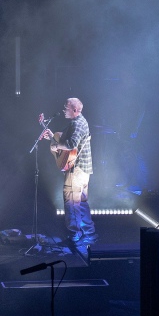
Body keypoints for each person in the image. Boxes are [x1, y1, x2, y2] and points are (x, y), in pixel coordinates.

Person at [41, 97, 97, 245]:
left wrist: (56, 146)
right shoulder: (76, 122)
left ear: (75, 110)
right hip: (83, 170)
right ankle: (89, 234)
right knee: (81, 202)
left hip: (76, 170)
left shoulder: (78, 124)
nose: (64, 110)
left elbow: (71, 144)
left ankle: (75, 236)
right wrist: (53, 139)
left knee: (71, 202)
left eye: (66, 108)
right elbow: (65, 142)